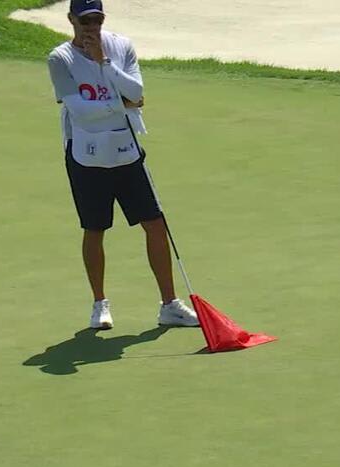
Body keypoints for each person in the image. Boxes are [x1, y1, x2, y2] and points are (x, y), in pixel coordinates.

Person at [47, 0, 198, 331]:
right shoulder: (60, 59)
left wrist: (105, 64)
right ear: (71, 20)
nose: (92, 27)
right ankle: (99, 304)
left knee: (155, 225)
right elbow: (80, 111)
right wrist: (123, 104)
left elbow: (137, 90)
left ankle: (169, 305)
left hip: (127, 153)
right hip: (86, 157)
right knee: (95, 229)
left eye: (97, 19)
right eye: (85, 21)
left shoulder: (121, 46)